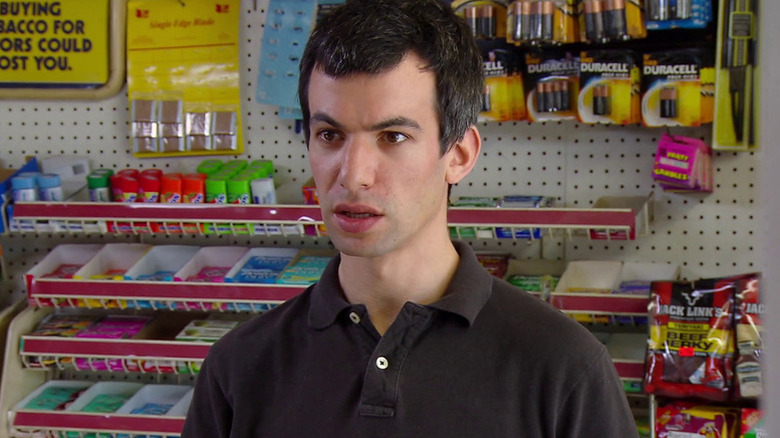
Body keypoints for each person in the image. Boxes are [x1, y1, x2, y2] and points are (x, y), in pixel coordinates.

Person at [182, 0, 639, 436]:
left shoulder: (565, 370)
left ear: (459, 155)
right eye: (329, 135)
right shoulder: (240, 367)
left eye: (393, 137)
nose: (354, 175)